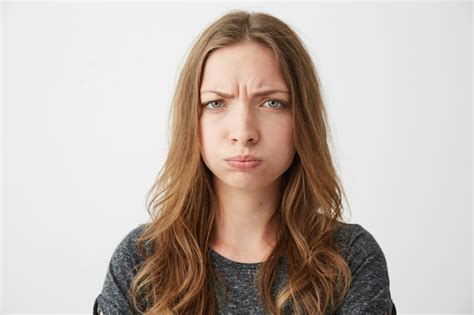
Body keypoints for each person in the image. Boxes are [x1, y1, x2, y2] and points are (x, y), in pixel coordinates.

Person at [94, 9, 396, 315]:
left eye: (271, 103)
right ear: (191, 121)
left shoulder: (349, 259)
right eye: (216, 103)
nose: (243, 133)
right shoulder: (141, 261)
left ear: (302, 118)